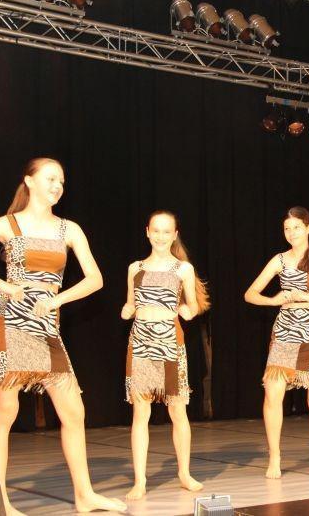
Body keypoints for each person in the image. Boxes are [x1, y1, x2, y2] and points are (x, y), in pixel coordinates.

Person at [0, 158, 127, 514]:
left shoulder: (69, 230)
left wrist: (57, 299)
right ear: (29, 181)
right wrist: (3, 285)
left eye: (62, 181)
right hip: (10, 323)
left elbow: (95, 279)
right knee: (5, 411)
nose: (58, 186)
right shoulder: (7, 224)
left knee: (73, 411)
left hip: (46, 328)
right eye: (50, 179)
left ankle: (85, 495)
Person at [244, 207, 309, 479]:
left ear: (308, 228)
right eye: (287, 228)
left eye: (296, 227)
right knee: (273, 392)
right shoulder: (279, 260)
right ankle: (275, 458)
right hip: (286, 330)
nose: (291, 233)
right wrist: (272, 300)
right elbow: (250, 294)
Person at [122, 211, 210, 499]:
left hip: (170, 342)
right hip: (141, 342)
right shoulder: (135, 268)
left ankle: (184, 473)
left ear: (174, 235)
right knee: (141, 412)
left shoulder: (183, 269)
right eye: (156, 231)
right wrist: (127, 310)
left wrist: (188, 310)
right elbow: (130, 304)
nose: (160, 236)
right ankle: (140, 480)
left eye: (166, 231)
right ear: (147, 232)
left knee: (177, 410)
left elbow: (193, 306)